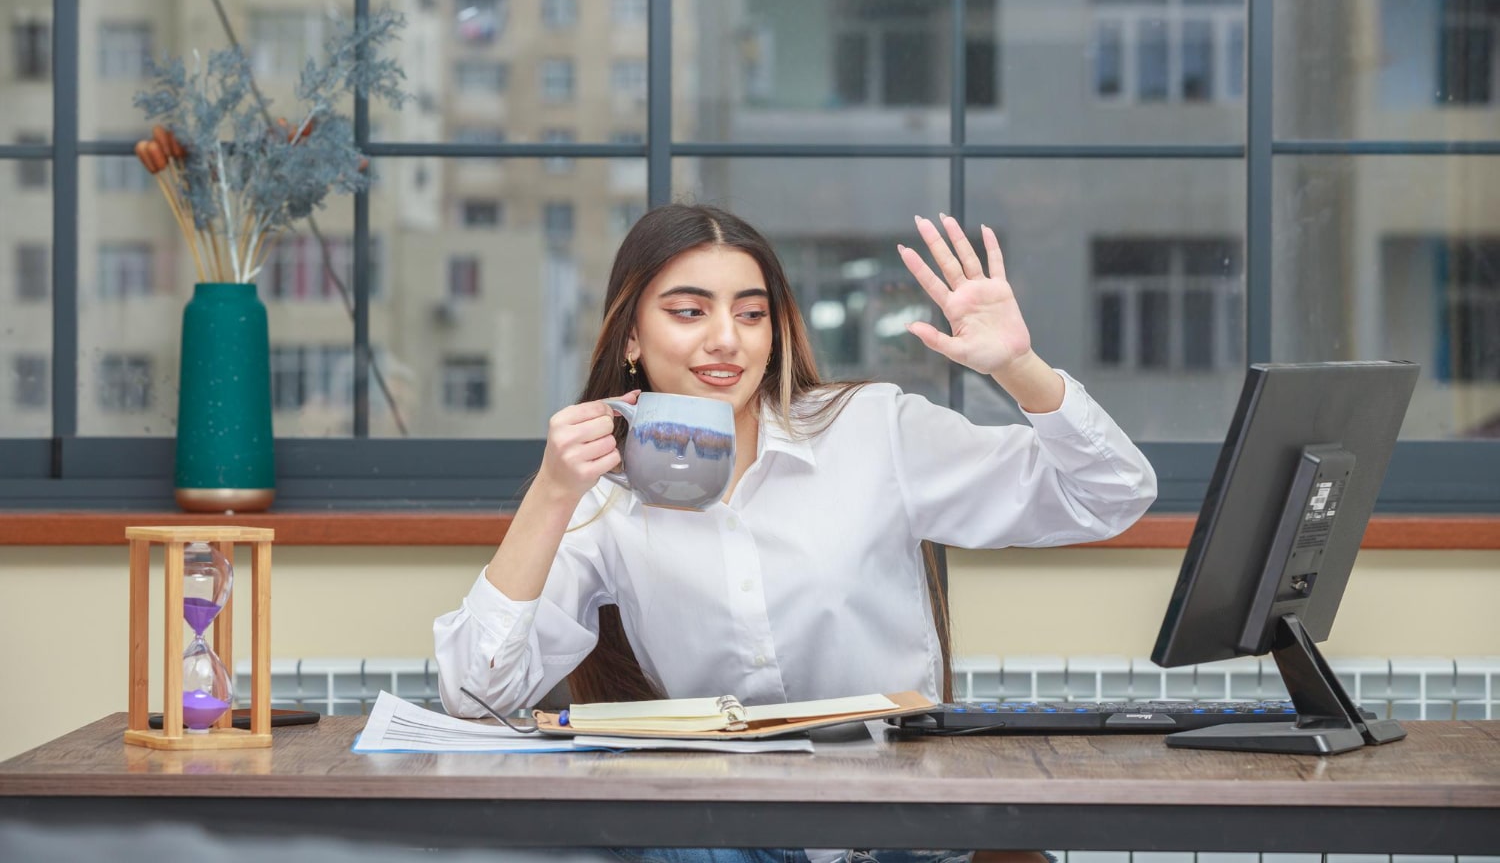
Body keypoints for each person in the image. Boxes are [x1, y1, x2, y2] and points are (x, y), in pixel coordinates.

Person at [434, 204, 1157, 863]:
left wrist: (1019, 368)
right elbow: (477, 696)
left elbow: (1112, 494)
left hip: (898, 830)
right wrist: (551, 492)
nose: (726, 339)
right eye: (688, 311)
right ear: (630, 335)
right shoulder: (604, 498)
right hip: (725, 836)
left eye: (751, 315)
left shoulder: (873, 431)